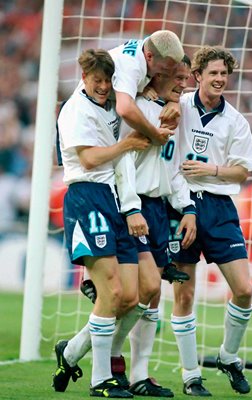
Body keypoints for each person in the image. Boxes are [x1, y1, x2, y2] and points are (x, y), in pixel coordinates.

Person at [52, 48, 151, 398]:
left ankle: (72, 351)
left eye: (108, 81)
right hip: (87, 195)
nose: (104, 87)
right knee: (110, 290)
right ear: (83, 78)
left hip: (114, 199)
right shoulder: (75, 110)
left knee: (130, 296)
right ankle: (100, 380)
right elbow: (90, 159)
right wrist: (126, 145)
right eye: (97, 80)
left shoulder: (109, 102)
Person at [168, 45, 252, 396]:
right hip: (180, 205)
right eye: (213, 73)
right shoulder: (180, 106)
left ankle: (228, 356)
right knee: (184, 294)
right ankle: (191, 375)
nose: (220, 79)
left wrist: (212, 169)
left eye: (224, 74)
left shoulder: (235, 120)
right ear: (198, 75)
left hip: (219, 208)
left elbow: (243, 170)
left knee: (244, 290)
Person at [120, 55, 197, 396]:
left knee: (151, 297)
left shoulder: (173, 113)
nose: (183, 84)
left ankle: (139, 375)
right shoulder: (139, 109)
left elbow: (173, 166)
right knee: (133, 292)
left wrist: (188, 207)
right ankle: (89, 351)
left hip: (157, 209)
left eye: (186, 79)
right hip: (132, 205)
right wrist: (130, 208)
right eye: (178, 77)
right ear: (161, 74)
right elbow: (123, 163)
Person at [75, 30, 184, 145]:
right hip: (83, 117)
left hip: (104, 114)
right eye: (165, 69)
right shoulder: (131, 66)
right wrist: (154, 135)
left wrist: (174, 102)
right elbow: (125, 109)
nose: (168, 74)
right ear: (149, 56)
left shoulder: (151, 46)